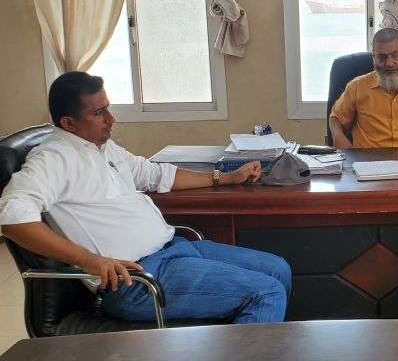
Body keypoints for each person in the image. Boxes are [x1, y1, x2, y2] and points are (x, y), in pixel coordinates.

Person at [0, 72, 292, 324]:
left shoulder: (101, 146)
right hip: (138, 280)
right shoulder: (52, 159)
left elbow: (154, 174)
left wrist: (226, 177)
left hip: (174, 249)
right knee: (266, 293)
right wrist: (88, 260)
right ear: (69, 123)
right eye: (99, 113)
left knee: (278, 269)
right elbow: (12, 218)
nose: (111, 119)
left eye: (108, 108)